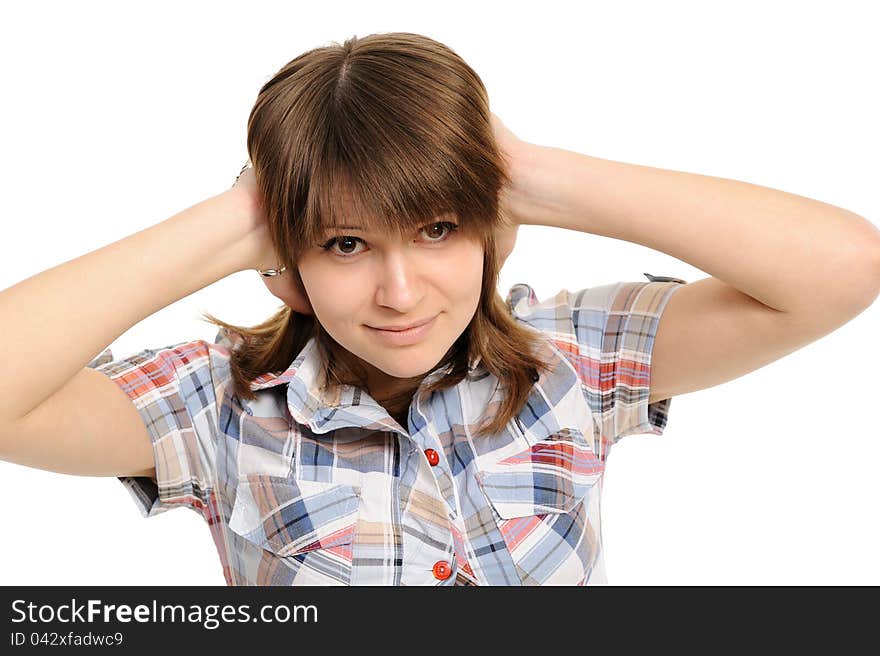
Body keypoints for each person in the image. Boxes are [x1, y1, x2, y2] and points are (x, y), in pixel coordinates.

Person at [1, 32, 878, 586]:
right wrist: (238, 218)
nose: (401, 292)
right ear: (285, 259)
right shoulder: (214, 407)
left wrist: (527, 174)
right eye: (345, 244)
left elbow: (844, 268)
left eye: (437, 229)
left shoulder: (571, 358)